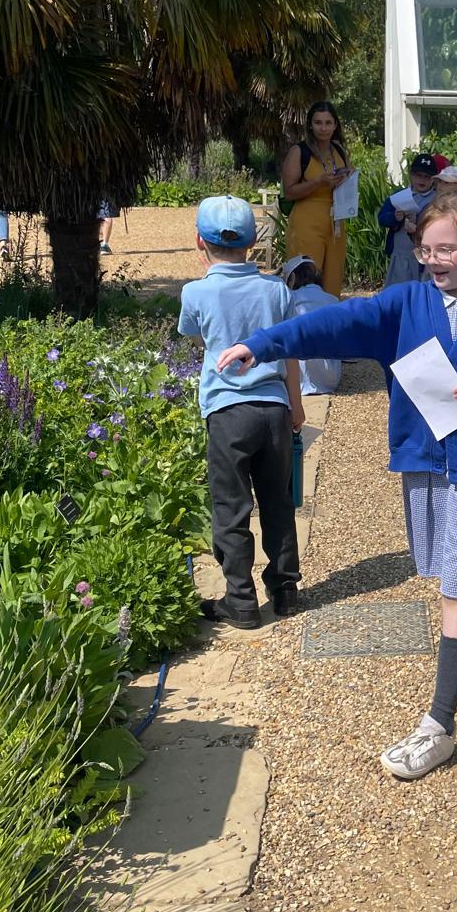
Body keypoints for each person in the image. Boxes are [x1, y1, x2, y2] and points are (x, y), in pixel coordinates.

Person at [217, 187, 457, 772]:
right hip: (423, 467)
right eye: (425, 249)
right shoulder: (405, 304)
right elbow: (335, 323)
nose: (434, 260)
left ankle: (438, 725)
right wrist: (262, 345)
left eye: (448, 249)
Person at [178, 195, 304, 629]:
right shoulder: (277, 290)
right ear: (252, 243)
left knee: (231, 506)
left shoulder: (195, 292)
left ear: (200, 241)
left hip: (227, 412)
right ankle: (285, 590)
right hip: (274, 408)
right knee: (278, 501)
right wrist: (296, 404)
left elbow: (198, 337)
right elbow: (289, 351)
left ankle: (241, 601)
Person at [280, 101, 355, 298]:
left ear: (335, 125)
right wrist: (318, 182)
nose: (323, 128)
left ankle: (329, 316)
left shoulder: (339, 151)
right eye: (318, 123)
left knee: (333, 282)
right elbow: (289, 191)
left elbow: (349, 177)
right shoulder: (299, 151)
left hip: (336, 222)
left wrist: (347, 179)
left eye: (328, 123)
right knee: (306, 279)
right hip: (307, 221)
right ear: (310, 125)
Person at [377, 152, 447, 286]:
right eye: (418, 175)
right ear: (411, 175)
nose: (422, 180)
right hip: (401, 254)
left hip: (426, 256)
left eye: (427, 177)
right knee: (398, 290)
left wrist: (419, 227)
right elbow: (381, 218)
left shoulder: (437, 199)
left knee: (423, 289)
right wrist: (394, 217)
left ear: (433, 179)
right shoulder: (399, 196)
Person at [281, 255, 342, 395]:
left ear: (292, 278)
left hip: (296, 377)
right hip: (331, 377)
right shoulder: (333, 300)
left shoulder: (290, 299)